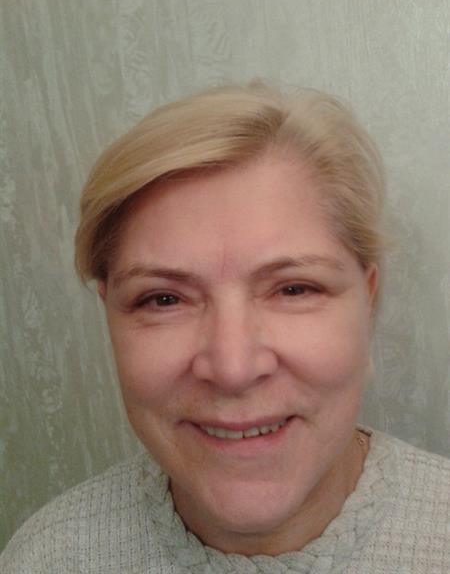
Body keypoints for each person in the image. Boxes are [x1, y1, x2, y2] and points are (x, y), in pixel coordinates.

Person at [1, 81, 449, 573]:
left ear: (367, 301)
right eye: (164, 299)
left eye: (293, 289)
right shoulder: (48, 558)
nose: (233, 369)